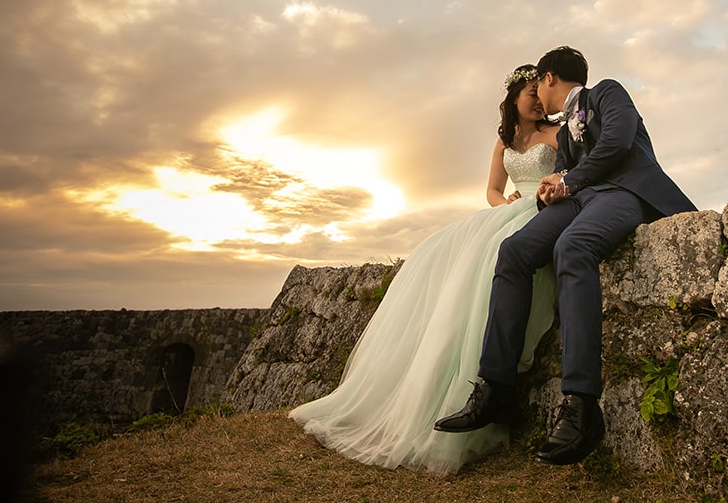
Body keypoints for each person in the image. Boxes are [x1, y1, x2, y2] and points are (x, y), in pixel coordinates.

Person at [289, 64, 560, 474]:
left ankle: (487, 378)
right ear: (513, 100)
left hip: (540, 208)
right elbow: (491, 189)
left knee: (494, 255)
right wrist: (500, 204)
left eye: (540, 94)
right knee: (439, 248)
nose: (539, 101)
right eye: (530, 94)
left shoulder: (555, 135)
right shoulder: (504, 142)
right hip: (509, 209)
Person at [434, 46, 697, 466]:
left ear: (549, 78)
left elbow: (615, 142)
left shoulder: (607, 93)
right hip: (579, 198)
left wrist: (569, 178)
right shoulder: (560, 132)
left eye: (538, 82)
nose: (537, 91)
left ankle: (581, 405)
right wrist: (549, 187)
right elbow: (563, 171)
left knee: (572, 247)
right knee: (514, 250)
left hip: (624, 193)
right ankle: (497, 387)